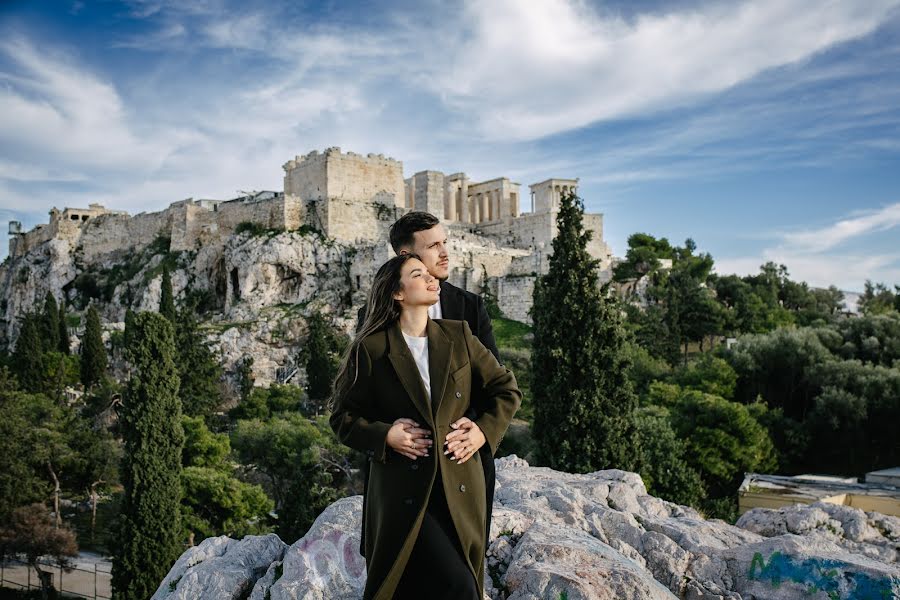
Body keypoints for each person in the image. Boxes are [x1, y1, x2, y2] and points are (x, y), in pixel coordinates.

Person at [332, 254, 520, 600]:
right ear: (397, 293)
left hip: (461, 488)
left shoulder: (458, 335)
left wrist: (481, 431)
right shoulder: (372, 348)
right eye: (418, 274)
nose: (432, 279)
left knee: (447, 584)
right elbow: (342, 417)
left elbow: (506, 390)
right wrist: (386, 434)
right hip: (404, 493)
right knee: (457, 587)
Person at [356, 211, 501, 552]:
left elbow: (497, 386)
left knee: (464, 564)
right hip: (401, 475)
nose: (445, 252)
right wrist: (386, 434)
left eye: (445, 242)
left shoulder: (469, 308)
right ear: (406, 257)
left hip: (462, 465)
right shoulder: (374, 318)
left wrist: (482, 431)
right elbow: (360, 403)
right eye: (434, 246)